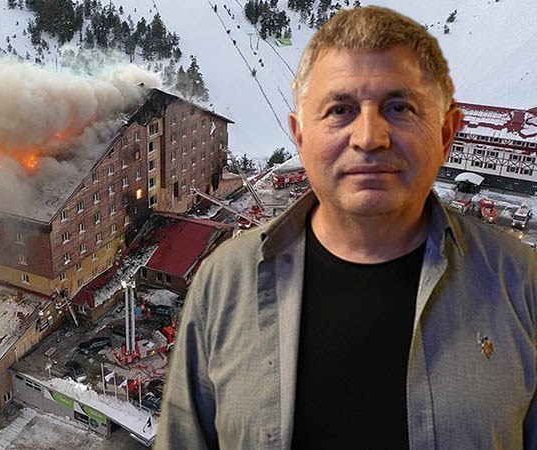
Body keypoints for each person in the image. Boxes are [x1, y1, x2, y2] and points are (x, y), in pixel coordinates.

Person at [155, 6, 537, 450]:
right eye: (340, 109)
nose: (369, 137)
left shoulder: (520, 282)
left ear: (446, 132)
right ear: (300, 136)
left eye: (400, 107)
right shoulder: (224, 283)